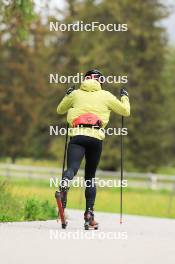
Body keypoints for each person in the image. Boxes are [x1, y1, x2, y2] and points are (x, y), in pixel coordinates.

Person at [57, 69, 130, 229]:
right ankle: (89, 216)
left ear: (85, 80)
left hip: (77, 136)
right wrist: (125, 96)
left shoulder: (75, 94)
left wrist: (67, 94)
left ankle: (64, 183)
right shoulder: (106, 95)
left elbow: (60, 110)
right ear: (100, 81)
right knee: (90, 176)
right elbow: (126, 111)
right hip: (96, 138)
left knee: (72, 168)